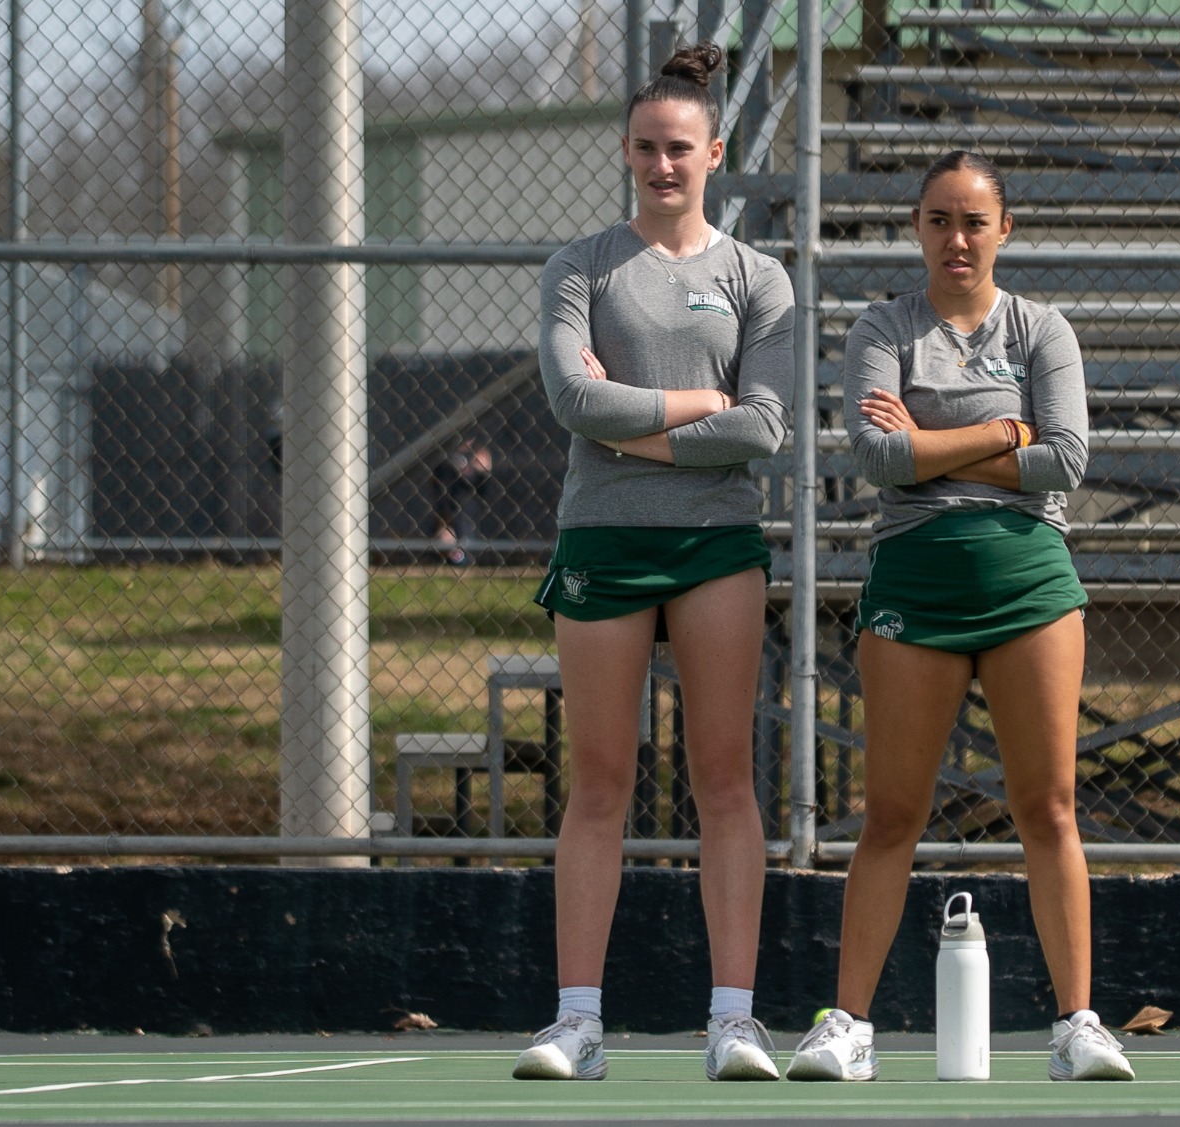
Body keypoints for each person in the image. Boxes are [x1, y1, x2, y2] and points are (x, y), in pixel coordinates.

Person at [785, 151, 1133, 1084]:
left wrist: (932, 444)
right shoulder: (881, 327)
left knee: (1048, 808)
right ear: (918, 230)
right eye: (939, 220)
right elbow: (876, 456)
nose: (958, 238)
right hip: (915, 581)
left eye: (975, 220)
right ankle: (848, 1025)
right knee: (892, 813)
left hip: (1029, 582)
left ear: (1004, 229)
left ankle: (1077, 1025)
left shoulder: (1043, 328)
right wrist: (997, 433)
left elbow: (1064, 459)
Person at [511, 42, 793, 1084]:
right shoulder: (579, 264)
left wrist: (634, 427)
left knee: (723, 780)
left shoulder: (756, 277)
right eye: (644, 149)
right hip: (602, 541)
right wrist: (693, 406)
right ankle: (576, 1020)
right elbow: (571, 402)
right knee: (600, 783)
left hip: (715, 543)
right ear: (625, 152)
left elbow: (764, 428)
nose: (661, 166)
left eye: (679, 149)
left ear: (714, 151)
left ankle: (733, 1018)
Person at [432, 439, 494, 566]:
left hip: (471, 525)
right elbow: (441, 499)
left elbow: (484, 486)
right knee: (447, 540)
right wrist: (444, 526)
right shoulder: (445, 466)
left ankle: (463, 558)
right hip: (450, 522)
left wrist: (481, 467)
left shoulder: (478, 470)